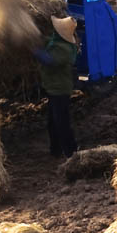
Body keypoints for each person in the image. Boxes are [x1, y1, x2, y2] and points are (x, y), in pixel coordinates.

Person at [33, 16, 79, 158]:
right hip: (53, 89)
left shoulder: (65, 49)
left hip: (60, 91)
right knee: (52, 123)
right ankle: (56, 150)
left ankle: (71, 153)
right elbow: (48, 41)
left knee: (62, 123)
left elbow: (49, 60)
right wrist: (35, 36)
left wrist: (33, 49)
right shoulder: (57, 41)